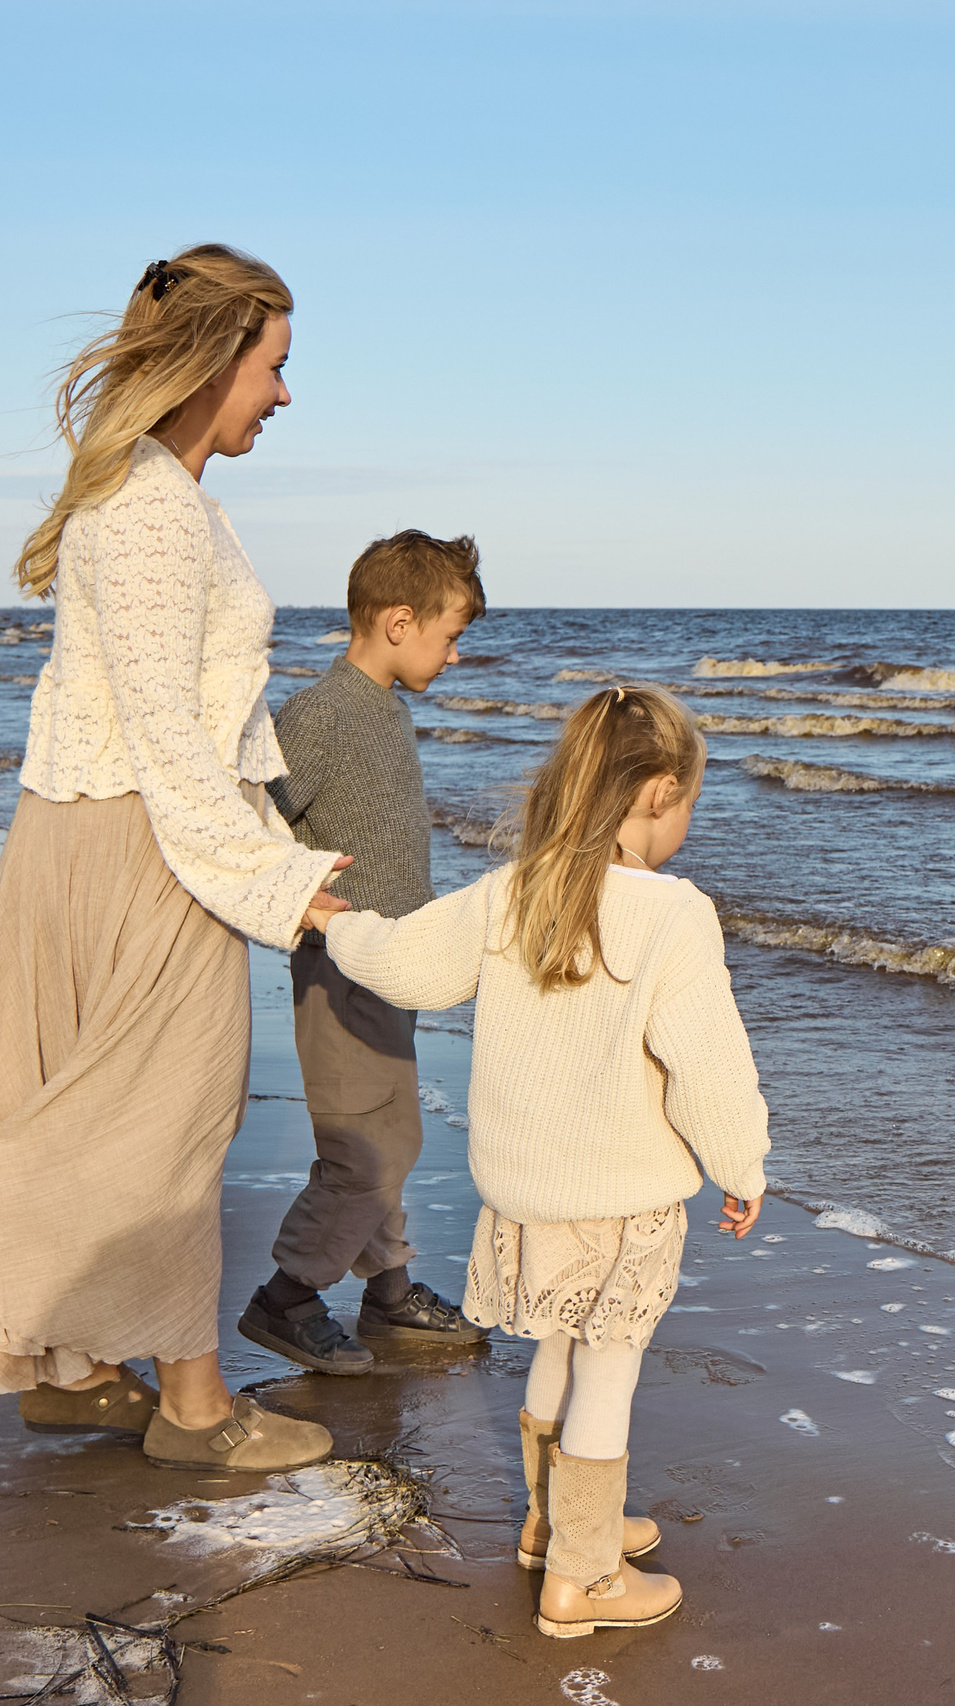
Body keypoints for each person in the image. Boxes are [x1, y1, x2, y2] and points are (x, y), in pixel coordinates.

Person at [0, 244, 354, 1473]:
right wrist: (269, 879)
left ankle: (78, 1365)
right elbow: (165, 729)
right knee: (163, 1116)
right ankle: (194, 1407)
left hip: (93, 825)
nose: (285, 395)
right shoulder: (152, 508)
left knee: (101, 1091)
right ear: (216, 360)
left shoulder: (155, 496)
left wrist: (264, 847)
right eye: (275, 366)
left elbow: (175, 717)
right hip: (138, 839)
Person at [299, 683, 769, 1637]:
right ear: (658, 791)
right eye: (688, 806)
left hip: (525, 1192)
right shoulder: (673, 913)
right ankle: (585, 1580)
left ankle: (553, 1524)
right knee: (609, 1367)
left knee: (559, 1344)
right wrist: (744, 1165)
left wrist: (330, 921)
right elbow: (710, 1066)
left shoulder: (514, 887)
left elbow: (405, 964)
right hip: (621, 1194)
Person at [239, 531, 491, 1374]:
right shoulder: (323, 713)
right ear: (396, 621)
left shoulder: (385, 708)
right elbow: (250, 820)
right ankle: (287, 1296)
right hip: (342, 961)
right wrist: (296, 896)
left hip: (390, 961)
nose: (454, 656)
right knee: (364, 1145)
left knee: (391, 1131)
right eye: (448, 636)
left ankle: (387, 1292)